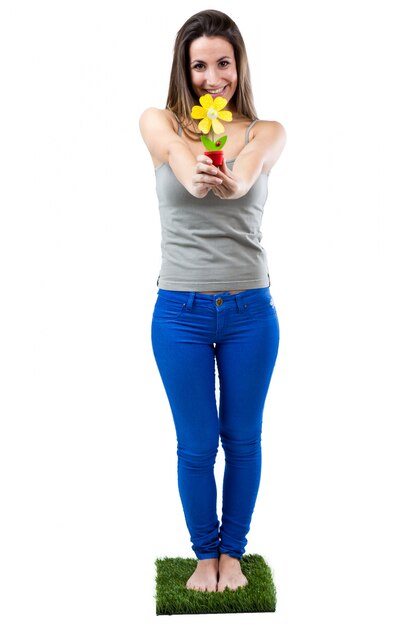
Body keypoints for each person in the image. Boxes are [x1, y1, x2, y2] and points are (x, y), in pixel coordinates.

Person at [139, 9, 286, 593]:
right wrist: (197, 166)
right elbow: (181, 162)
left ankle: (234, 554)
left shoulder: (266, 131)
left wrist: (230, 169)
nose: (212, 76)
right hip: (179, 313)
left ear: (238, 64)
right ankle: (205, 556)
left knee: (242, 438)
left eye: (222, 62)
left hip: (252, 311)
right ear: (185, 68)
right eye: (199, 64)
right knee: (197, 444)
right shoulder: (160, 124)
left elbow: (246, 174)